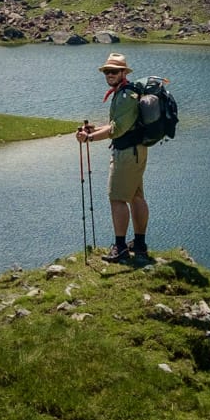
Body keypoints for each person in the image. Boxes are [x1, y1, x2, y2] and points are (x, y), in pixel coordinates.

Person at [77, 51, 150, 262]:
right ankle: (139, 243)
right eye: (107, 71)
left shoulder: (126, 96)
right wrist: (93, 130)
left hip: (127, 153)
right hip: (135, 151)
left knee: (117, 198)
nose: (109, 74)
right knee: (136, 196)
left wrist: (88, 138)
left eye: (114, 71)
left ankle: (120, 247)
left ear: (123, 72)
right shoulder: (124, 92)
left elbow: (116, 130)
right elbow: (116, 125)